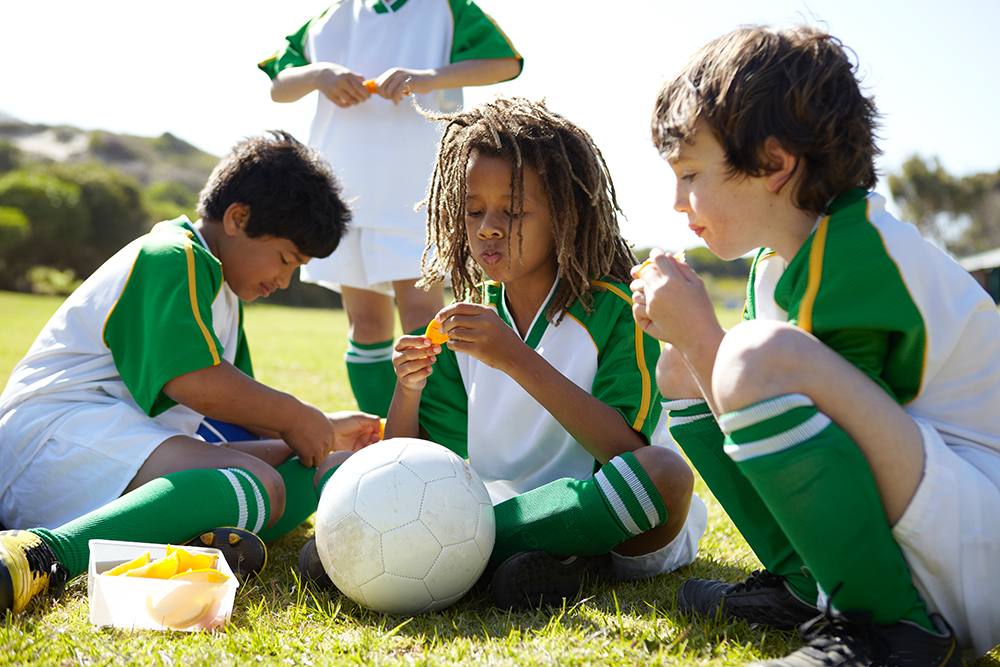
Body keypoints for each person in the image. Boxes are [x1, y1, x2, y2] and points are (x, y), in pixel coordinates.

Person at [631, 25, 1000, 666]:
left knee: (746, 357)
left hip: (977, 547)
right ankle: (811, 585)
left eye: (691, 174)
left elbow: (835, 446)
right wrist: (690, 345)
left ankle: (892, 628)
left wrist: (701, 333)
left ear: (774, 164)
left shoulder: (861, 252)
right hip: (929, 518)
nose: (676, 200)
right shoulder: (778, 263)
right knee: (681, 370)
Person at [0, 131, 382, 615]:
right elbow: (196, 382)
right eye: (286, 259)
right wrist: (294, 415)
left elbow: (239, 410)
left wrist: (322, 428)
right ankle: (41, 554)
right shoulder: (173, 255)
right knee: (261, 483)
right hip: (50, 441)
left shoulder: (221, 289)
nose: (285, 280)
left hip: (113, 440)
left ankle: (181, 527)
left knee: (300, 464)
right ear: (238, 218)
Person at [379, 96, 707, 610]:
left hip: (613, 523)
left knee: (665, 475)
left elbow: (625, 451)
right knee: (345, 467)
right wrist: (408, 389)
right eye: (473, 210)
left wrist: (514, 357)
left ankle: (465, 561)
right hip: (501, 512)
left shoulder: (619, 310)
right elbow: (413, 464)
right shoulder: (459, 325)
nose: (488, 226)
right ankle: (540, 562)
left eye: (512, 211)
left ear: (565, 216)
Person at [259, 0, 523, 419]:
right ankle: (381, 437)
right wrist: (320, 75)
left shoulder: (445, 9)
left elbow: (505, 62)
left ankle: (436, 437)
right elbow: (279, 84)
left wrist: (429, 77)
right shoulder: (333, 16)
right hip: (344, 192)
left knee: (423, 321)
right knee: (365, 326)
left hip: (412, 192)